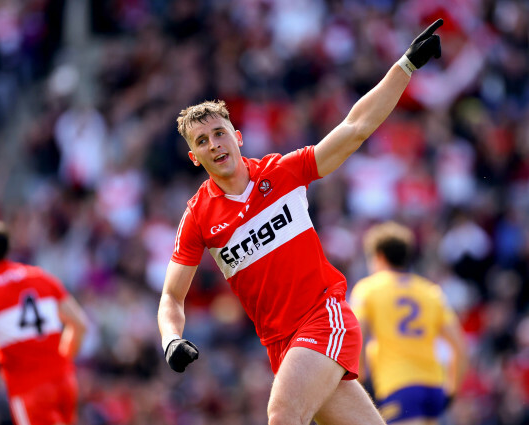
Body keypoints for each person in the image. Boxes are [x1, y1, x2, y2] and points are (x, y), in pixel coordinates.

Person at [158, 19, 445, 425]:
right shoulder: (198, 216)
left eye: (219, 133)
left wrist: (405, 67)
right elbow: (171, 297)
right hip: (281, 344)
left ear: (237, 137)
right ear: (194, 158)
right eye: (202, 142)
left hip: (324, 316)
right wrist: (171, 339)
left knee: (282, 414)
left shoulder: (283, 172)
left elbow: (355, 128)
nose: (214, 144)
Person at [0, 216, 88, 425]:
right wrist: (61, 361)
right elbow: (79, 324)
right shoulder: (41, 277)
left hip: (29, 388)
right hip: (65, 381)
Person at [349, 221, 468, 425]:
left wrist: (359, 381)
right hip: (434, 386)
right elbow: (460, 347)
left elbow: (356, 336)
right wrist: (452, 389)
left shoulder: (369, 289)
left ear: (378, 256)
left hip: (399, 384)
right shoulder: (431, 291)